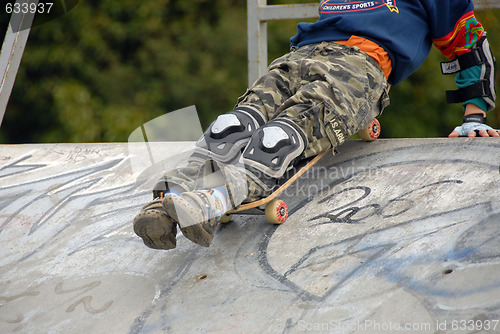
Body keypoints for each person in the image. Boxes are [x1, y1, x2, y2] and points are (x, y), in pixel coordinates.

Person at [133, 0, 498, 250]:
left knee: (276, 140)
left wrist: (473, 117)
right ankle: (171, 199)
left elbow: (469, 44)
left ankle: (213, 200)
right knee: (228, 128)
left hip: (359, 65)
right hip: (300, 55)